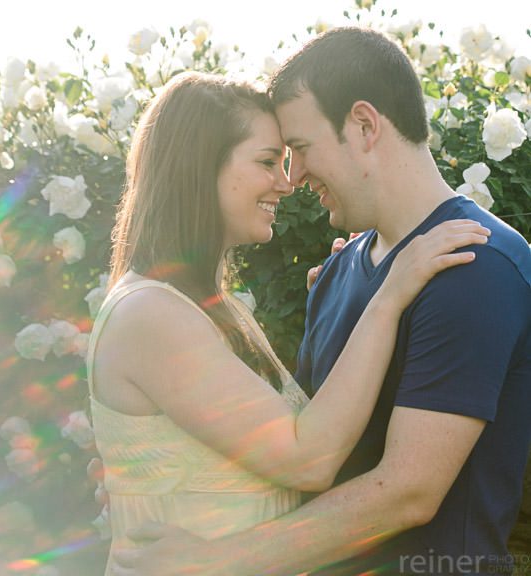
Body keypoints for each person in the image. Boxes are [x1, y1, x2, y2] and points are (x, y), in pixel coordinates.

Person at [111, 28, 531, 576]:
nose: (294, 177)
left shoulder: (475, 263)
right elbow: (306, 450)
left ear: (363, 125)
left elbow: (408, 491)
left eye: (301, 150)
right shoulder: (337, 271)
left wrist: (216, 561)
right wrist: (164, 468)